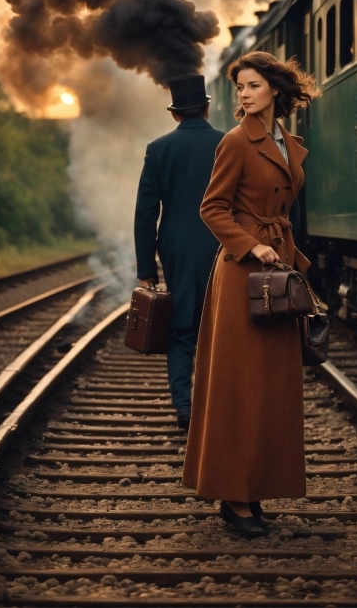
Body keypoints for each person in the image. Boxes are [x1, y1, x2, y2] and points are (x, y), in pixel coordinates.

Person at [182, 51, 321, 538]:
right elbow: (212, 208)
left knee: (272, 388)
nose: (243, 93)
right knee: (240, 388)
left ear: (275, 91)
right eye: (239, 86)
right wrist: (253, 244)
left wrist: (284, 252)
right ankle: (233, 498)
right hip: (243, 275)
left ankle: (256, 490)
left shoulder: (288, 142)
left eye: (253, 85)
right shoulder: (236, 142)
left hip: (276, 274)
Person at [134, 74, 224, 430]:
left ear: (175, 114)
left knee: (182, 327)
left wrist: (147, 268)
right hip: (224, 245)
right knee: (220, 326)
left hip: (177, 248)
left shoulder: (159, 149)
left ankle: (184, 409)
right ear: (206, 107)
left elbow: (146, 212)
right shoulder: (227, 143)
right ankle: (217, 405)